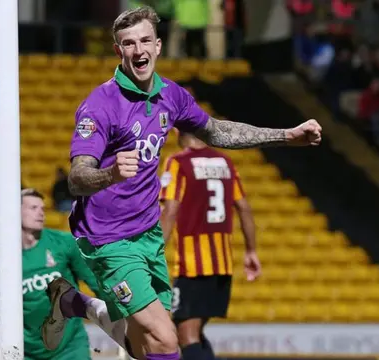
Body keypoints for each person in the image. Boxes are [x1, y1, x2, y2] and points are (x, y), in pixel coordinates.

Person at [41, 6, 322, 360]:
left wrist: (286, 136)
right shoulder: (100, 105)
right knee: (167, 339)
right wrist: (111, 173)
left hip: (148, 236)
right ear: (118, 51)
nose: (138, 50)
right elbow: (78, 179)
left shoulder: (170, 96)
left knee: (146, 346)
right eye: (128, 44)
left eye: (145, 40)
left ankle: (71, 301)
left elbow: (217, 130)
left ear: (158, 45)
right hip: (108, 240)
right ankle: (74, 302)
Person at [159, 131, 260, 360]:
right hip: (222, 265)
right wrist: (251, 251)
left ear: (178, 130)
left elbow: (171, 210)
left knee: (185, 334)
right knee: (192, 332)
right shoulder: (224, 162)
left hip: (194, 266)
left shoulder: (178, 162)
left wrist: (152, 252)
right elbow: (243, 207)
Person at [0, 188, 108, 360]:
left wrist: (123, 312)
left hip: (70, 347)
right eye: (33, 208)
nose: (40, 213)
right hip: (26, 351)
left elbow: (95, 281)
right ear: (13, 211)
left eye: (42, 208)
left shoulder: (63, 243)